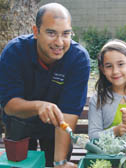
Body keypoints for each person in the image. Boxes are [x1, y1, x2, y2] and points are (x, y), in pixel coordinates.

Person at [0, 3, 90, 168]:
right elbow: (9, 106)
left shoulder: (78, 59)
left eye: (66, 34)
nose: (59, 42)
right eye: (51, 33)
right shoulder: (14, 52)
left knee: (56, 162)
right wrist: (38, 106)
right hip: (20, 120)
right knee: (19, 165)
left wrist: (60, 162)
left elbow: (68, 114)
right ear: (36, 31)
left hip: (56, 125)